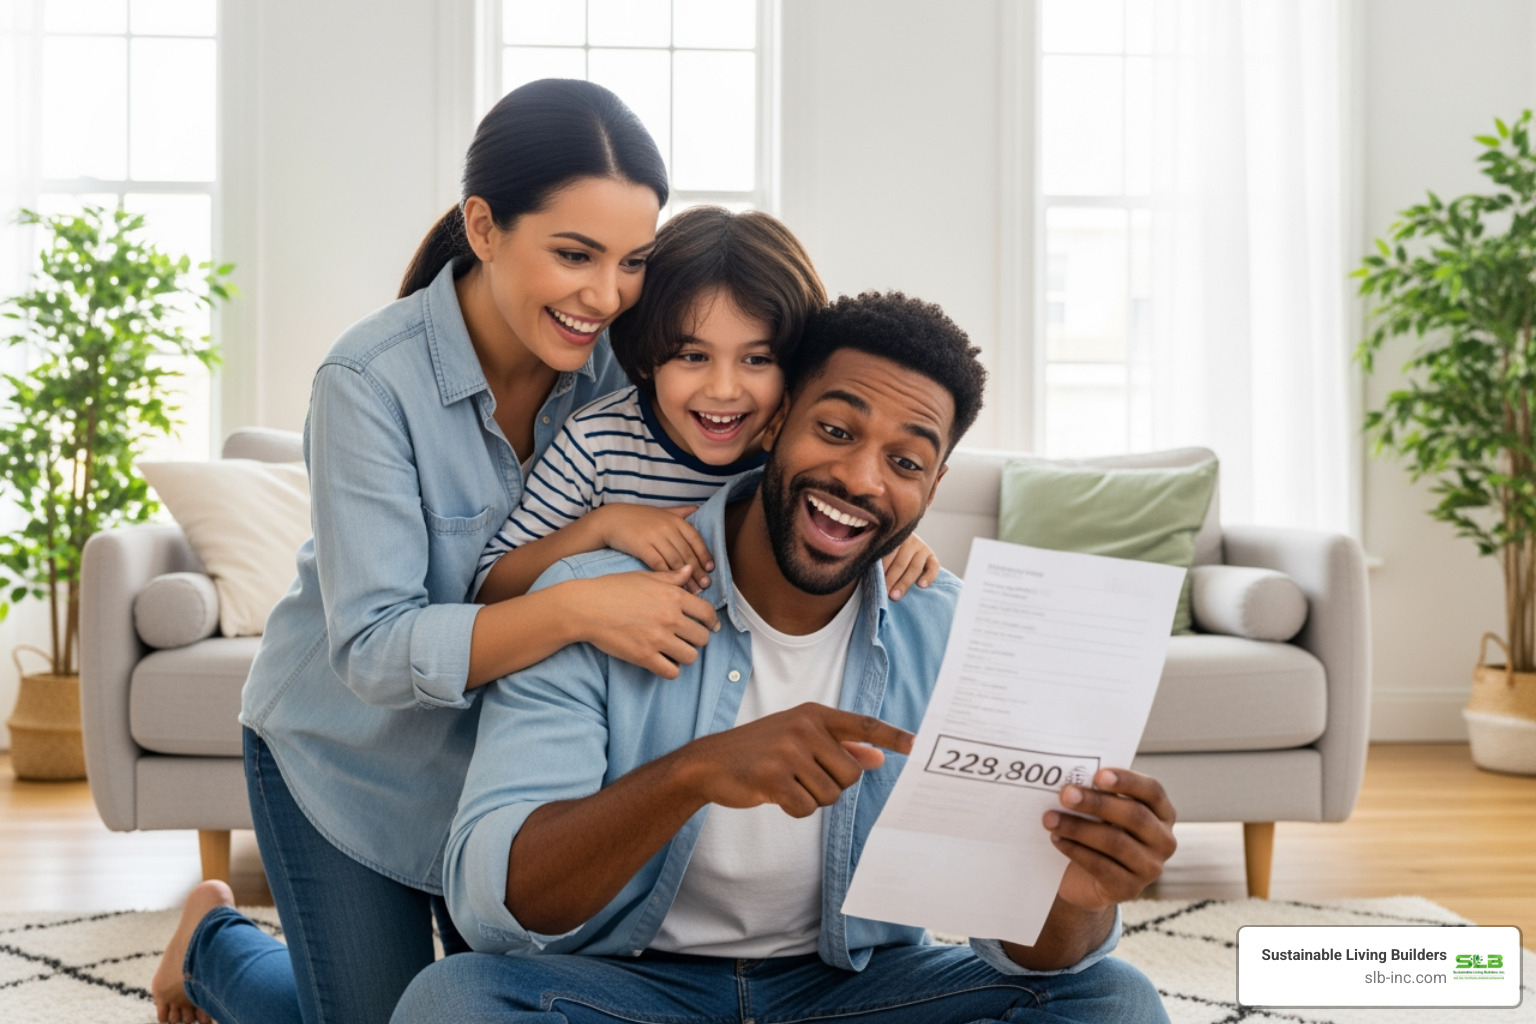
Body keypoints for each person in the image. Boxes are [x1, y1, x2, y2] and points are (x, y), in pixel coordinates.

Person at [392, 292, 1177, 1024]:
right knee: (454, 999)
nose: (860, 479)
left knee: (1111, 995)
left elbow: (1033, 955)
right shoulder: (596, 598)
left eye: (905, 463)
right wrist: (693, 773)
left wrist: (1073, 896)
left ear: (933, 488)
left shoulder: (954, 633)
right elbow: (495, 902)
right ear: (775, 424)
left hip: (856, 993)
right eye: (835, 431)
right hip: (636, 989)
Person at [152, 80, 722, 1024]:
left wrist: (891, 549)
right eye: (574, 255)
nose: (607, 294)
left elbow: (761, 447)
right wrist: (578, 606)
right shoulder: (369, 379)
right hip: (346, 758)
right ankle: (212, 945)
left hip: (510, 779)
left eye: (632, 261)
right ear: (486, 227)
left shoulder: (629, 363)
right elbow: (375, 649)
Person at [473, 205, 940, 611]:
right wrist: (604, 526)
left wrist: (891, 544)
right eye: (693, 357)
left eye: (757, 359)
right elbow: (489, 590)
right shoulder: (597, 445)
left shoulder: (797, 456)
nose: (722, 389)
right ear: (650, 354)